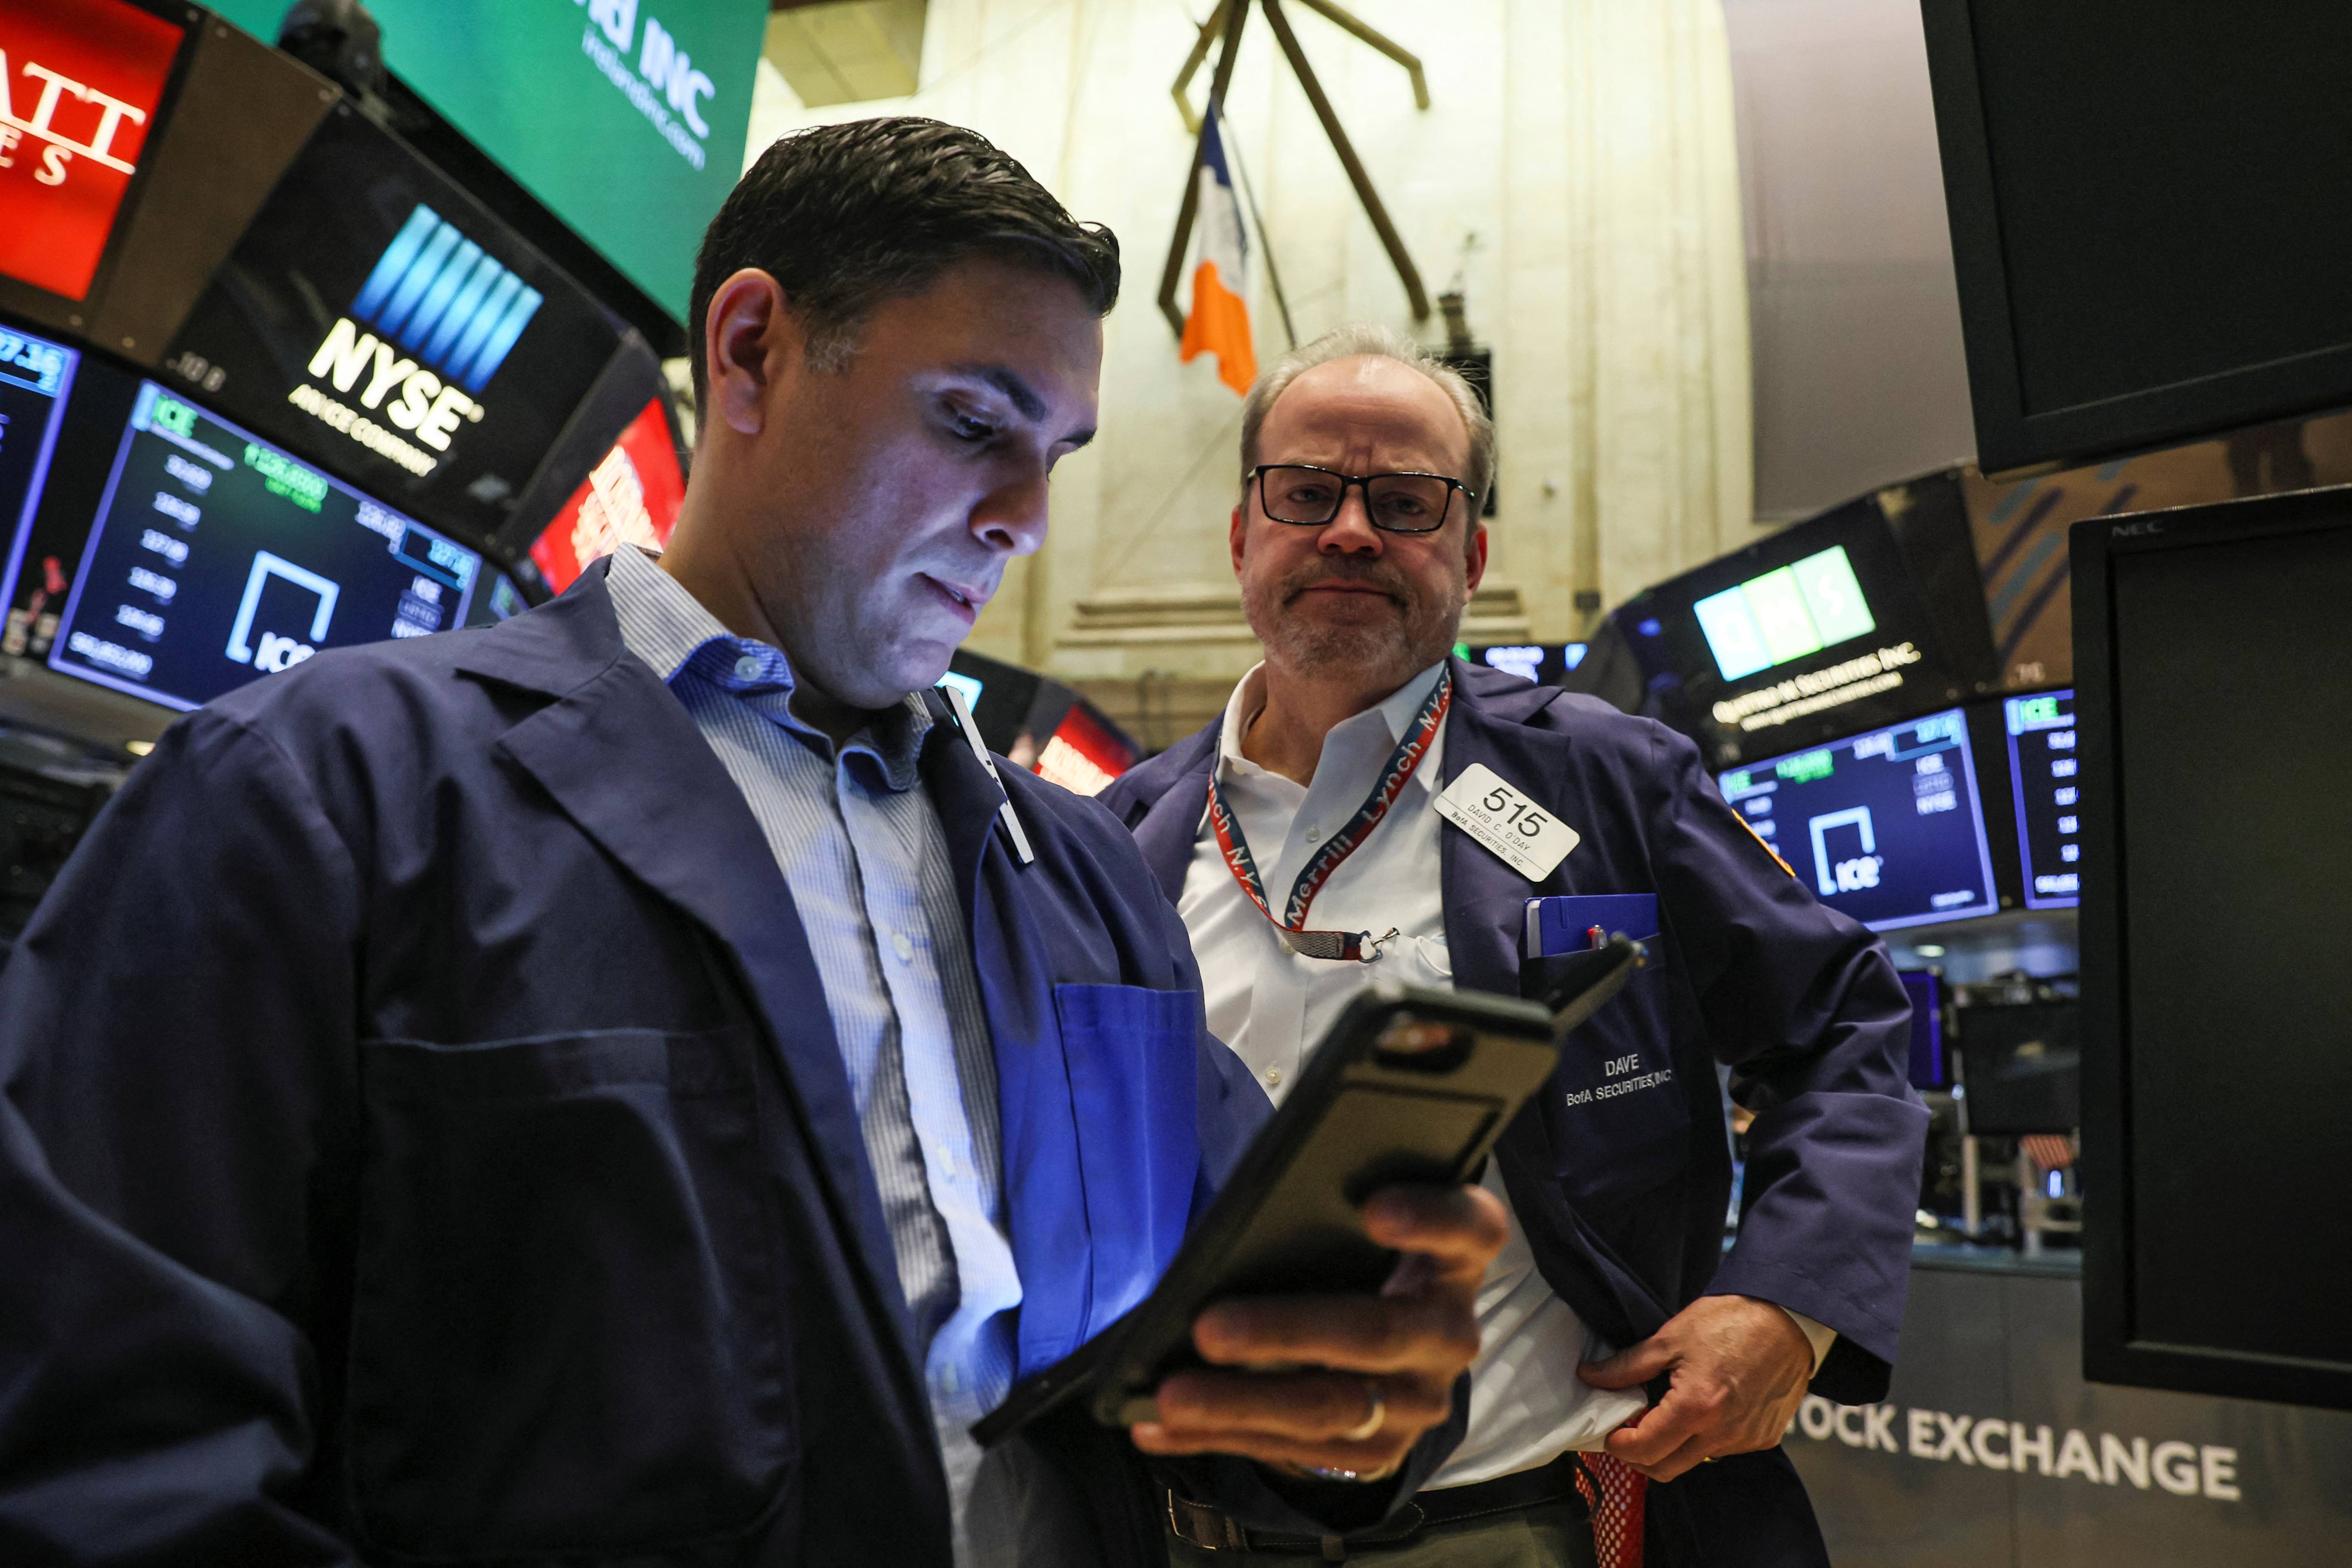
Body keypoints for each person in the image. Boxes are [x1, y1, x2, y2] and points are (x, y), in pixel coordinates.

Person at [0, 126, 1507, 1566]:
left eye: (1055, 450)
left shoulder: (1084, 878)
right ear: (749, 352)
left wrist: (1342, 1405)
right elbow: (111, 1456)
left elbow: (1216, 1366)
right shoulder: (324, 791)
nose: (1025, 520)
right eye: (973, 424)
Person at [1099, 327, 1930, 1567]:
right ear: (1241, 534)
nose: (1348, 530)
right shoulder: (1117, 840)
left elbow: (1844, 1028)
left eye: (1404, 500)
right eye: (1307, 491)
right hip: (1181, 1532)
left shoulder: (1607, 779)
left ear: (1472, 552)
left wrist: (1787, 1305)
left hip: (1525, 1523)